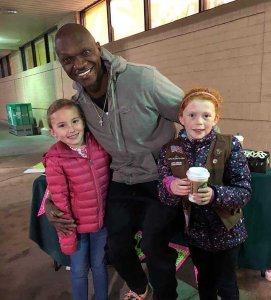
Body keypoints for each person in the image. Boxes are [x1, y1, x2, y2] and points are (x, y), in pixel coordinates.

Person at [44, 23, 185, 300]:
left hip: (160, 177)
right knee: (116, 245)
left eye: (85, 52)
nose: (79, 64)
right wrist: (49, 199)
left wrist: (195, 166)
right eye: (68, 59)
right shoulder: (79, 105)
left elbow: (191, 116)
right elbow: (67, 153)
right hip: (122, 179)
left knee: (154, 244)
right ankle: (141, 289)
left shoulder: (144, 79)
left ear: (98, 48)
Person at [157, 87, 252, 300]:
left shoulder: (229, 145)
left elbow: (244, 191)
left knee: (227, 284)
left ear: (215, 118)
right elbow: (163, 195)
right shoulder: (170, 150)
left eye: (206, 115)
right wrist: (171, 186)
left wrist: (215, 195)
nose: (199, 122)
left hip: (228, 234)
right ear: (181, 117)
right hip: (196, 234)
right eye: (192, 115)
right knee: (205, 283)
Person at [43, 99, 110, 300]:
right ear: (53, 131)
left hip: (101, 224)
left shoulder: (99, 144)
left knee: (99, 265)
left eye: (75, 121)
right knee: (79, 270)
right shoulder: (55, 160)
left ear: (84, 122)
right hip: (76, 229)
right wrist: (68, 240)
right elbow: (60, 202)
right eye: (62, 125)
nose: (71, 129)